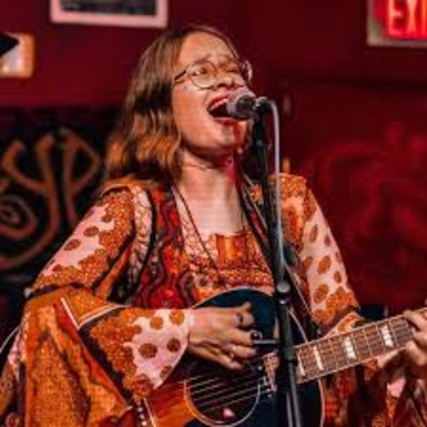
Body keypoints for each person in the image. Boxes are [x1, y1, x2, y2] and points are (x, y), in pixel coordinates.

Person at [1, 23, 427, 427]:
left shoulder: (290, 203)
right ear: (161, 104)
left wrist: (398, 351)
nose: (227, 81)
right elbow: (49, 310)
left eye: (234, 70)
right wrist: (184, 331)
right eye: (203, 72)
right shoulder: (134, 206)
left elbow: (339, 326)